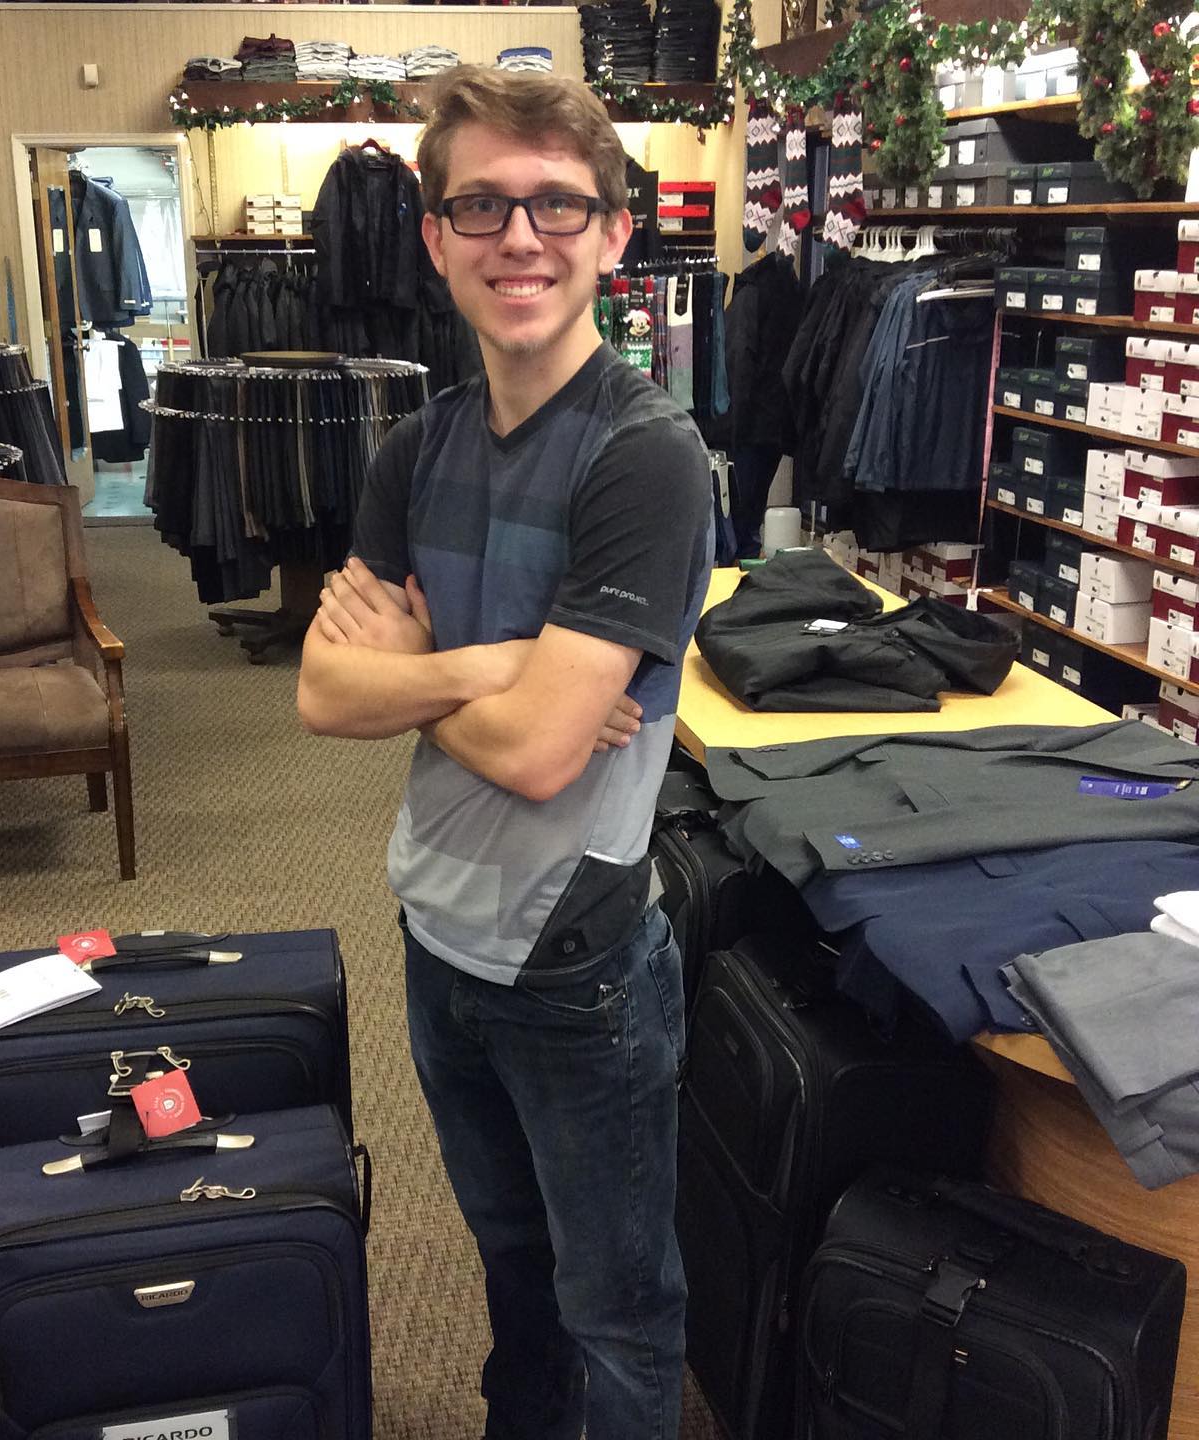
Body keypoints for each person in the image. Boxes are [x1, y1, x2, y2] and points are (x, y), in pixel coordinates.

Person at [297, 66, 714, 1440]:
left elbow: (542, 757)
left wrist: (415, 672)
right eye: (481, 205)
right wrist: (495, 664)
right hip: (436, 933)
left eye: (556, 206)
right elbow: (321, 694)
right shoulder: (413, 452)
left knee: (619, 1312)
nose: (519, 238)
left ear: (614, 232)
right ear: (434, 237)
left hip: (573, 962)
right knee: (513, 1272)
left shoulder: (647, 457)